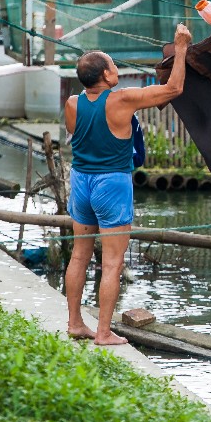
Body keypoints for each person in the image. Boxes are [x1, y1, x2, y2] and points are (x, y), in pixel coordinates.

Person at [63, 26, 191, 344]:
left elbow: (77, 137)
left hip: (80, 182)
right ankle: (103, 332)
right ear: (106, 75)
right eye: (114, 65)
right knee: (112, 262)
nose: (118, 69)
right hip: (112, 184)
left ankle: (76, 323)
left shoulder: (72, 103)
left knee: (79, 255)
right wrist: (181, 48)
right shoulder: (121, 100)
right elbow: (174, 88)